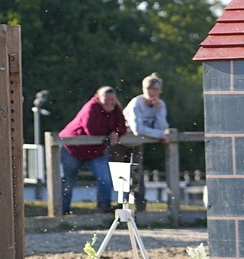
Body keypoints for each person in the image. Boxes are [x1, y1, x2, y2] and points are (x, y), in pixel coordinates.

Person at [59, 86, 128, 215]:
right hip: (73, 149)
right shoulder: (91, 107)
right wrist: (110, 134)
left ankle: (104, 207)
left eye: (112, 99)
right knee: (67, 181)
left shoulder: (116, 109)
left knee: (105, 179)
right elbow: (92, 130)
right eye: (106, 99)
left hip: (95, 152)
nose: (109, 102)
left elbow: (122, 126)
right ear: (98, 97)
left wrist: (116, 132)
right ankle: (63, 211)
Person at [116, 73, 171, 212]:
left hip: (136, 143)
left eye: (155, 89)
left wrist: (158, 110)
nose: (152, 92)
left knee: (136, 173)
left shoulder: (161, 104)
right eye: (149, 89)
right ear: (143, 89)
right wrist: (161, 135)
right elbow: (137, 129)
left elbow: (162, 127)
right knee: (120, 174)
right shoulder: (136, 103)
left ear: (160, 91)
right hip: (121, 142)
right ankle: (120, 206)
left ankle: (139, 207)